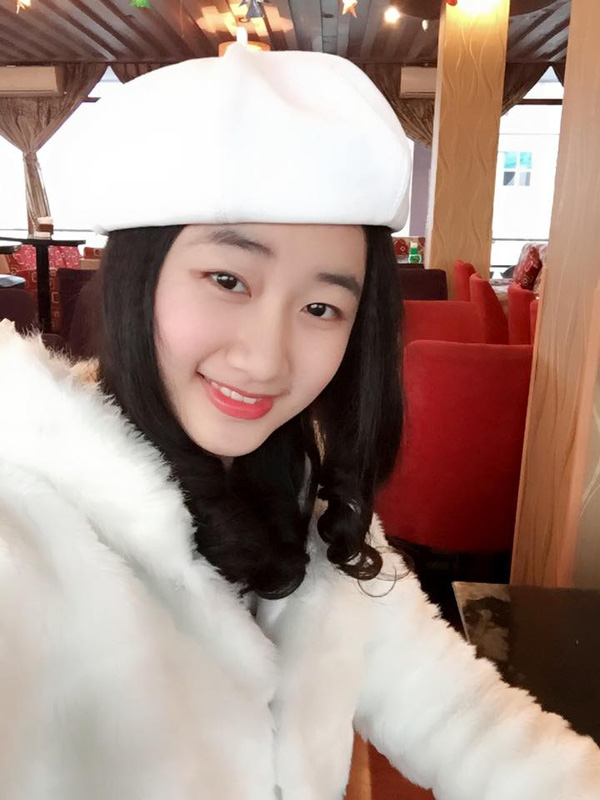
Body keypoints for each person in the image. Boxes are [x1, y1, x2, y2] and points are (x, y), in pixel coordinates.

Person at [0, 45, 598, 800]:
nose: (265, 359)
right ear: (136, 280)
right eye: (228, 279)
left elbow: (461, 718)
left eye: (321, 306)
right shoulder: (24, 528)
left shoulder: (308, 502)